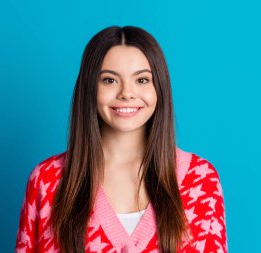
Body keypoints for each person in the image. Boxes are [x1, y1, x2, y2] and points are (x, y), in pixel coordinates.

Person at [15, 26, 227, 253]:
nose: (127, 93)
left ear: (159, 88)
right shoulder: (47, 181)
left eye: (142, 80)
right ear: (89, 88)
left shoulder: (200, 181)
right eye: (109, 80)